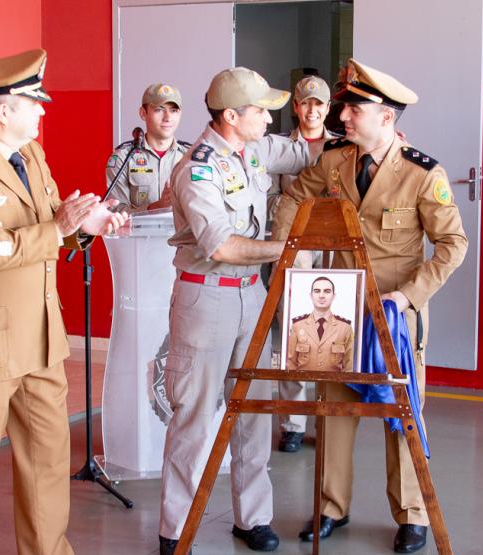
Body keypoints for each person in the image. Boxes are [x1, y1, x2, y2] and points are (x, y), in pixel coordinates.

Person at [0, 49, 129, 555]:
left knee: (46, 458)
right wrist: (58, 226)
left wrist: (85, 227)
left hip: (41, 335)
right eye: (34, 102)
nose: (42, 111)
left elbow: (48, 227)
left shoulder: (31, 154)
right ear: (4, 110)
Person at [272, 58, 468, 553]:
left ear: (386, 117)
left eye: (355, 109)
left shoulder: (424, 173)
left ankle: (411, 514)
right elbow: (295, 196)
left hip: (395, 315)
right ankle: (330, 507)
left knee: (400, 414)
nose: (343, 118)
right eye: (345, 108)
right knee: (333, 412)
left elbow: (453, 245)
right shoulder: (335, 160)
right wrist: (285, 256)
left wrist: (409, 296)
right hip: (336, 311)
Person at [158, 66, 314, 555]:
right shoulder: (197, 168)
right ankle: (175, 529)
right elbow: (220, 245)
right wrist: (284, 248)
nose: (270, 119)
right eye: (261, 111)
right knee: (197, 416)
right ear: (231, 115)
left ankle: (252, 517)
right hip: (207, 298)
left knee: (253, 409)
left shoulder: (254, 148)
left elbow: (309, 150)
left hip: (250, 296)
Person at [269, 75, 341, 453]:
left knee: (332, 330)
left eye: (320, 104)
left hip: (333, 246)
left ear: (328, 109)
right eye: (306, 103)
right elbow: (268, 195)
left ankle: (326, 419)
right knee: (292, 331)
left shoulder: (343, 146)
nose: (312, 110)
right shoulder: (279, 148)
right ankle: (292, 422)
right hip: (295, 246)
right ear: (295, 107)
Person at [105, 83, 191, 211]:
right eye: (159, 110)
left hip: (181, 232)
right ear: (143, 113)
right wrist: (155, 207)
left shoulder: (191, 158)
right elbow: (115, 212)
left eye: (173, 110)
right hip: (141, 232)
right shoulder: (123, 158)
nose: (167, 117)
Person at [286, 276, 354, 372]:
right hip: (304, 381)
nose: (321, 295)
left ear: (333, 296)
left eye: (327, 291)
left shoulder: (345, 327)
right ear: (311, 295)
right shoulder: (298, 325)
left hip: (333, 384)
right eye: (317, 291)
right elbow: (291, 363)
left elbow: (349, 366)